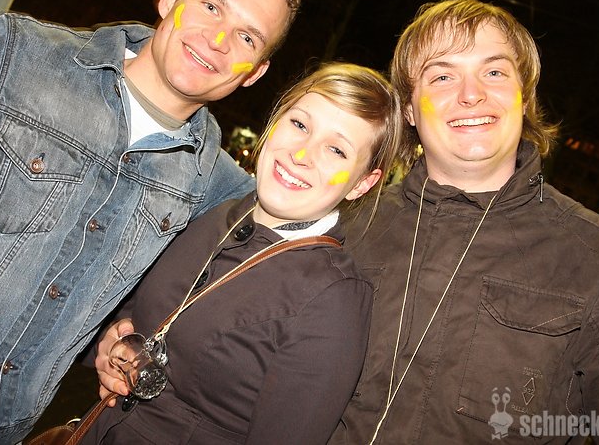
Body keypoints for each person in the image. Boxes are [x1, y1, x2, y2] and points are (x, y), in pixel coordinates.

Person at [0, 0, 300, 444]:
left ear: (255, 72)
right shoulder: (20, 56)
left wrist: (121, 330)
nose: (218, 40)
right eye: (212, 6)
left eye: (247, 37)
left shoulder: (217, 187)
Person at [328, 0, 599, 444]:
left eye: (495, 72)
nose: (471, 94)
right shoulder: (345, 228)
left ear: (524, 97)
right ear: (408, 109)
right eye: (442, 76)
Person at [84, 62, 402, 444]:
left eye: (336, 150)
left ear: (362, 184)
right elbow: (134, 310)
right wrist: (112, 343)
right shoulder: (212, 210)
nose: (302, 154)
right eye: (299, 124)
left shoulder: (333, 297)